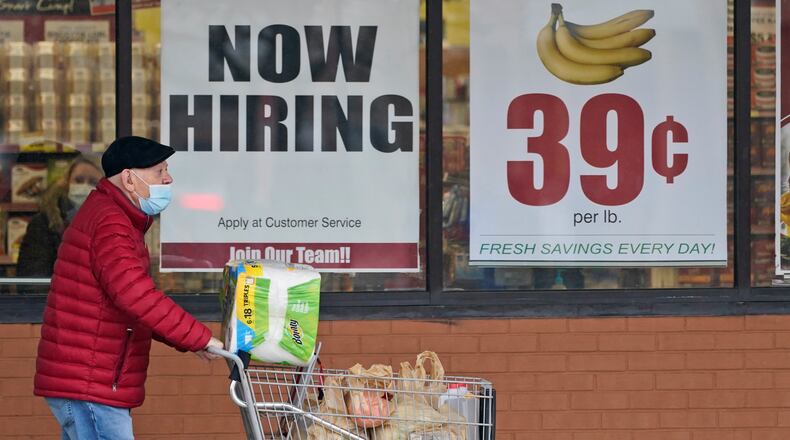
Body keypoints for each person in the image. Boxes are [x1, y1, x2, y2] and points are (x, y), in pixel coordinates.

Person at [34, 136, 224, 440]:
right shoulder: (111, 223)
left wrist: (192, 341)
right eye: (159, 171)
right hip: (90, 380)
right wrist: (199, 336)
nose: (168, 178)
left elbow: (131, 302)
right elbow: (136, 295)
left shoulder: (112, 216)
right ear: (129, 179)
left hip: (88, 377)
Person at [17, 156, 104, 278]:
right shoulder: (44, 223)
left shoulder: (113, 223)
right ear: (67, 183)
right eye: (78, 180)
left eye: (93, 182)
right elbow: (33, 278)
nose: (85, 186)